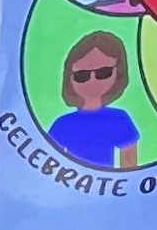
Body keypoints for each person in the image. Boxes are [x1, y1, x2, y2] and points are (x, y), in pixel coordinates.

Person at [48, 33, 141, 169]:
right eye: (82, 76)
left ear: (119, 72)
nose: (92, 81)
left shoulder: (119, 119)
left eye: (103, 73)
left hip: (107, 181)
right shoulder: (63, 124)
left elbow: (129, 166)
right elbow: (49, 163)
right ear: (69, 78)